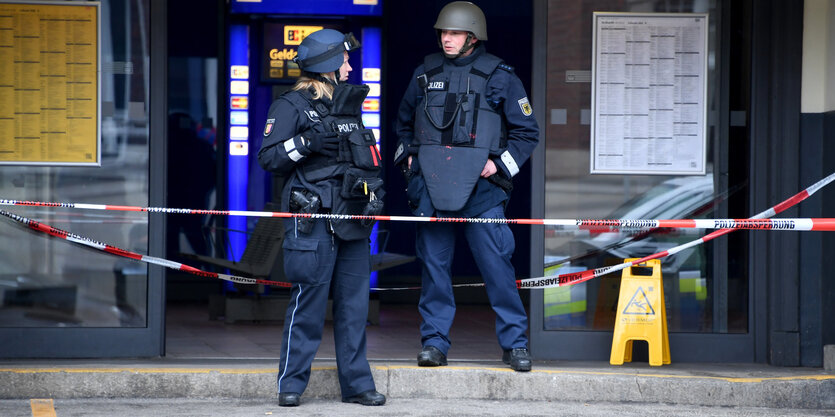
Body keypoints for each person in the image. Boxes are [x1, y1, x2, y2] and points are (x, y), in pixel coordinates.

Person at [394, 1, 539, 372]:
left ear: (473, 37)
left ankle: (515, 344)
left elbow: (526, 133)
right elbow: (403, 125)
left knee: (497, 270)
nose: (447, 39)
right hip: (433, 190)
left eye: (455, 33)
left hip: (483, 193)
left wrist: (497, 165)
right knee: (435, 272)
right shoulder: (424, 73)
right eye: (443, 32)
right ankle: (434, 344)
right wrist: (410, 160)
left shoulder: (501, 75)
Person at [257, 28, 386, 407]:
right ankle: (291, 385)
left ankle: (358, 385)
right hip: (312, 221)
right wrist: (305, 143)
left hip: (353, 218)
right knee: (308, 304)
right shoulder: (291, 105)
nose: (349, 65)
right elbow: (269, 158)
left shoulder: (347, 107)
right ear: (328, 63)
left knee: (354, 307)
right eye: (344, 59)